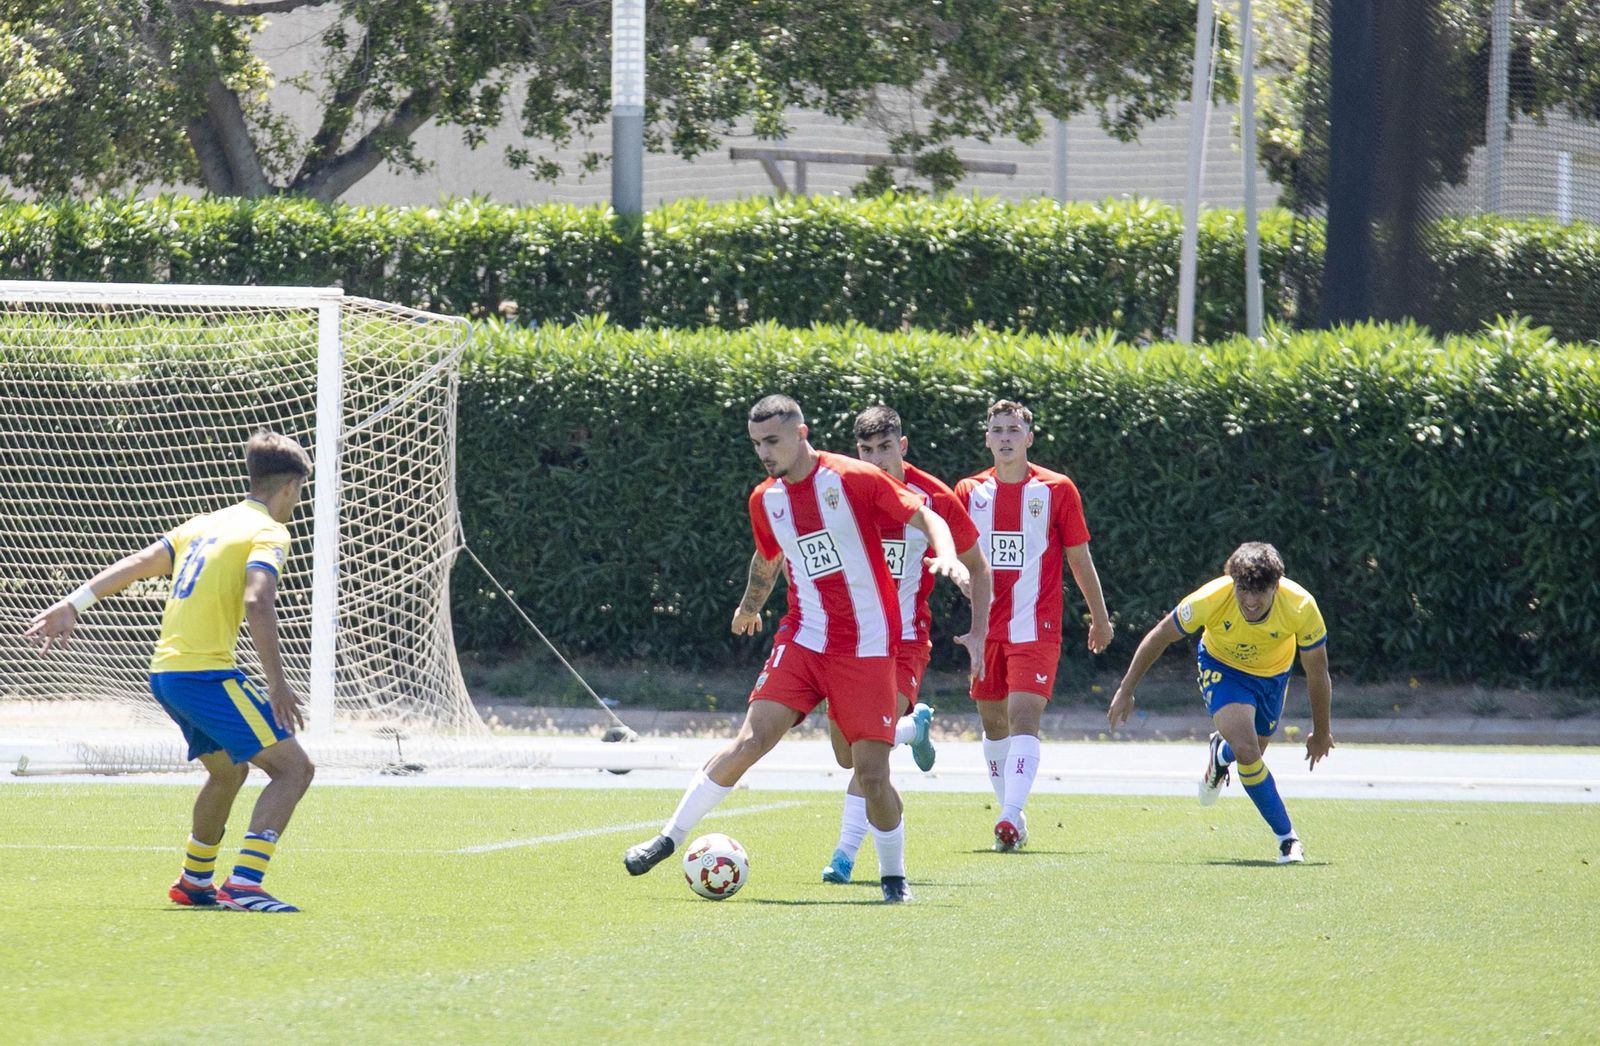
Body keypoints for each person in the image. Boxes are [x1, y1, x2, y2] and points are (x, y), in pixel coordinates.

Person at [622, 394, 970, 902]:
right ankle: (668, 838)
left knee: (869, 773)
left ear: (801, 434)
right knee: (750, 741)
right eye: (757, 443)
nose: (764, 452)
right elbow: (767, 561)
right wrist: (749, 607)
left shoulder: (854, 478)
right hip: (803, 639)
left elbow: (927, 517)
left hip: (868, 648)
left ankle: (894, 878)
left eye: (773, 441)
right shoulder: (766, 498)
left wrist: (945, 557)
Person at [24, 430, 316, 912]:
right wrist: (278, 684)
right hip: (205, 676)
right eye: (298, 494)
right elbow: (258, 600)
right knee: (294, 769)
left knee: (228, 772)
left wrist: (73, 604)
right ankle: (245, 883)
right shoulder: (269, 531)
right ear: (289, 488)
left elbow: (140, 563)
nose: (296, 503)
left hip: (165, 674)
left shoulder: (201, 524)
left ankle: (195, 881)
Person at [817, 404, 992, 886]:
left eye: (885, 448)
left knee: (869, 757)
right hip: (849, 641)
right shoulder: (841, 490)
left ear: (903, 446)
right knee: (846, 756)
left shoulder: (932, 498)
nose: (875, 459)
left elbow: (980, 566)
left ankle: (845, 854)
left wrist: (978, 633)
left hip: (904, 641)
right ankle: (913, 729)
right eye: (866, 450)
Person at [1106, 541, 1334, 863]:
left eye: (1260, 591)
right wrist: (1126, 688)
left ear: (1276, 586)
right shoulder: (1211, 598)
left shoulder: (1301, 607)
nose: (1250, 601)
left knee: (1250, 751)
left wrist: (1321, 731)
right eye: (1243, 589)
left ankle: (1219, 753)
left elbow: (1317, 673)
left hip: (1273, 677)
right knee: (1248, 750)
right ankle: (1287, 838)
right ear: (1233, 582)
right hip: (1223, 669)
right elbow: (1161, 634)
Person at [956, 399, 1113, 852]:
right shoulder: (969, 491)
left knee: (1023, 716)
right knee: (993, 725)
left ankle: (1006, 817)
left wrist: (1099, 618)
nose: (1004, 437)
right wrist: (961, 576)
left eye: (1013, 429)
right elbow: (955, 550)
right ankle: (1014, 814)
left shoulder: (1057, 490)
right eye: (997, 429)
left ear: (1029, 437)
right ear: (986, 438)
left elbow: (1079, 558)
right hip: (987, 630)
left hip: (1036, 626)